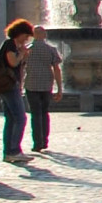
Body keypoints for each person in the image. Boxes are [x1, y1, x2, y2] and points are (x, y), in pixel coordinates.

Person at [0, 20, 33, 163]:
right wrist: (21, 53)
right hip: (8, 85)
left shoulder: (13, 45)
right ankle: (14, 150)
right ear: (19, 33)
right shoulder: (10, 44)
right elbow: (12, 62)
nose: (26, 39)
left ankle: (9, 152)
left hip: (9, 85)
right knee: (20, 118)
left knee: (11, 119)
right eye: (26, 36)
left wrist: (22, 56)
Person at [23, 24, 63, 153]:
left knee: (35, 114)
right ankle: (45, 140)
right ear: (44, 35)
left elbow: (21, 69)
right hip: (46, 84)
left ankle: (37, 143)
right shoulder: (51, 50)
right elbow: (56, 69)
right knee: (44, 113)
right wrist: (60, 88)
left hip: (31, 84)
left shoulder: (27, 50)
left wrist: (19, 85)